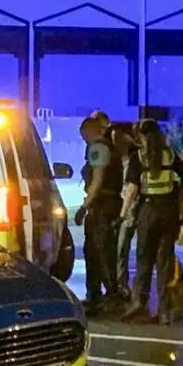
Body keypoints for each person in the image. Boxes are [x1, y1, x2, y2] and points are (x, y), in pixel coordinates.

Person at [120, 120, 183, 323]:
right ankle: (163, 311)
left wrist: (123, 214)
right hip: (169, 213)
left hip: (148, 212)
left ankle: (138, 305)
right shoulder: (169, 154)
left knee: (144, 260)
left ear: (142, 137)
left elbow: (133, 189)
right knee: (164, 263)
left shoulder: (139, 157)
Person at [74, 116, 124, 314]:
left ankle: (110, 295)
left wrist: (84, 207)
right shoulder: (110, 147)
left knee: (100, 252)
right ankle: (95, 295)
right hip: (107, 205)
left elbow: (97, 180)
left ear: (87, 131)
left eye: (83, 135)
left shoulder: (98, 148)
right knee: (94, 251)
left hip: (102, 206)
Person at [110, 123, 141, 299]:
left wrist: (123, 214)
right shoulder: (117, 159)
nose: (116, 143)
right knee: (120, 248)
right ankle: (121, 285)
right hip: (123, 207)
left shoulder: (134, 159)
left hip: (132, 208)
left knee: (123, 247)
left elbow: (131, 188)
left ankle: (125, 286)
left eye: (119, 139)